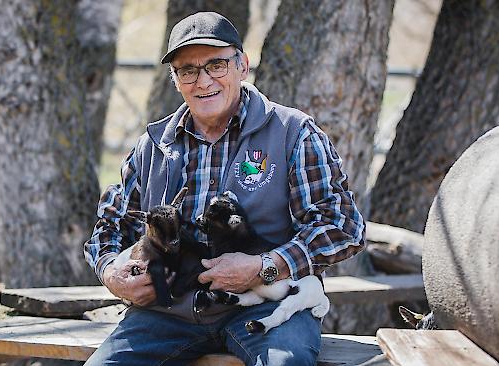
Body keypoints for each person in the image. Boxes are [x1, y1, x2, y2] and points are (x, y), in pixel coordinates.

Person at [83, 11, 366, 366]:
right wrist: (112, 273)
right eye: (188, 70)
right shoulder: (152, 146)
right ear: (176, 80)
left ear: (242, 66)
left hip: (269, 307)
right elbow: (108, 228)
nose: (203, 82)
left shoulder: (293, 133)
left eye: (216, 65)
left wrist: (266, 266)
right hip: (169, 312)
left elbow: (344, 226)